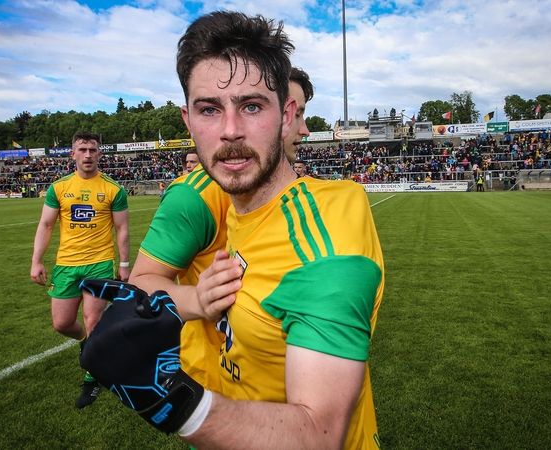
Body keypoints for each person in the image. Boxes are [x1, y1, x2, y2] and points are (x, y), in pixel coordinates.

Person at [82, 11, 384, 449]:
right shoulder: (227, 203)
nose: (230, 131)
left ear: (287, 114)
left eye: (252, 106)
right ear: (188, 123)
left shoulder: (327, 234)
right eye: (209, 109)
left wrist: (171, 401)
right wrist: (195, 301)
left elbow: (320, 435)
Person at [128, 66, 315, 394]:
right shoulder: (195, 197)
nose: (303, 129)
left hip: (296, 375)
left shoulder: (307, 196)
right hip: (220, 386)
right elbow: (140, 285)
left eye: (299, 114)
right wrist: (197, 300)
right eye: (294, 114)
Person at [30, 130, 130, 409]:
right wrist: (37, 260)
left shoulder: (113, 189)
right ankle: (87, 342)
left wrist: (123, 264)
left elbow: (122, 228)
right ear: (72, 154)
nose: (88, 154)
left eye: (93, 149)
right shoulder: (59, 188)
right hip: (66, 265)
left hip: (99, 264)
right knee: (62, 323)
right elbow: (46, 225)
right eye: (82, 150)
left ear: (100, 153)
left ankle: (91, 380)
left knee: (93, 320)